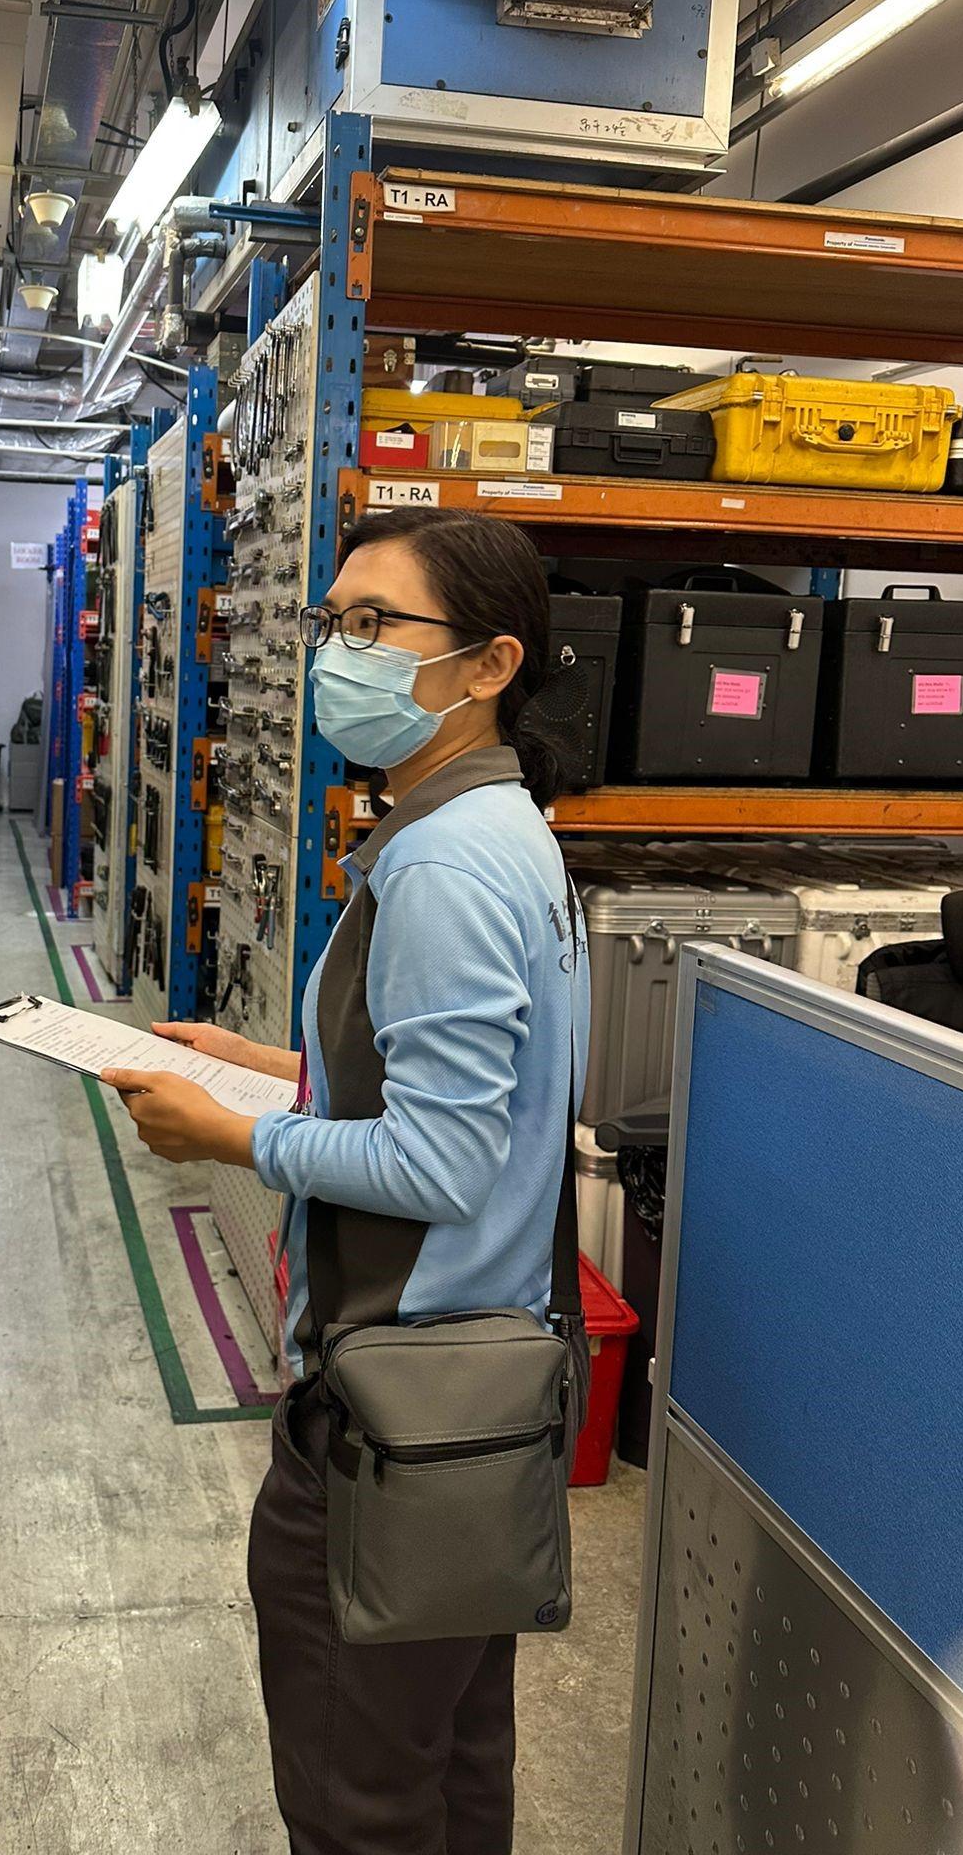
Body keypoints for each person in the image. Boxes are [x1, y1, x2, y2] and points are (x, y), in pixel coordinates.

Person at [103, 507, 590, 1855]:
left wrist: (231, 1136)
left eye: (375, 625)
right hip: (479, 1397)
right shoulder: (501, 827)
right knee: (452, 1766)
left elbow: (437, 1161)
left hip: (394, 1417)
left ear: (490, 664)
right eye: (334, 622)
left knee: (354, 1800)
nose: (338, 653)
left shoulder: (442, 864)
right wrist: (270, 1068)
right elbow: (456, 1091)